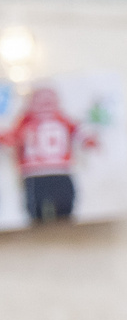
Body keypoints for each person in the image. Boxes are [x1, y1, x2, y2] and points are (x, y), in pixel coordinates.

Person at [3, 83, 97, 225]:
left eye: (48, 100)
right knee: (35, 208)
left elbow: (78, 131)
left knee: (65, 204)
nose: (44, 105)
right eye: (39, 101)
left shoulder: (63, 119)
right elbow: (13, 136)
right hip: (34, 174)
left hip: (61, 171)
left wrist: (89, 140)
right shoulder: (25, 121)